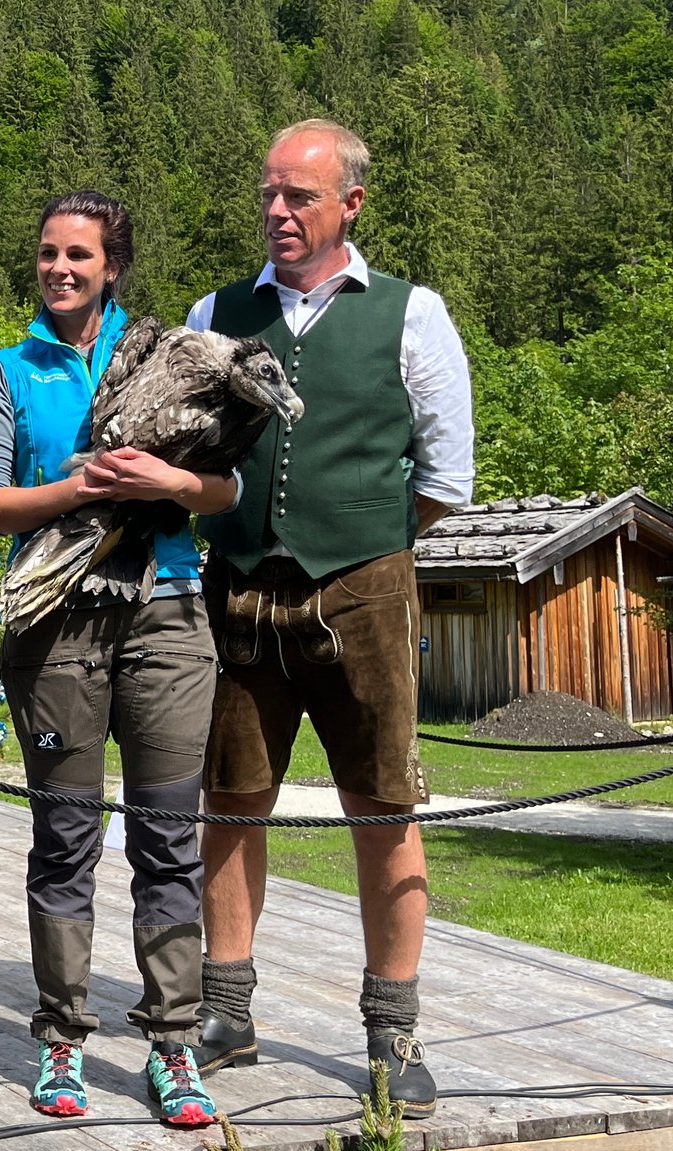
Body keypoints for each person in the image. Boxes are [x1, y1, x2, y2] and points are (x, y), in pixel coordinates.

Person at [187, 119, 474, 1118]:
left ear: (348, 204)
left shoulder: (410, 314)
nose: (275, 210)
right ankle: (225, 1007)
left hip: (363, 590)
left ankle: (391, 1028)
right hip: (235, 588)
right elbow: (197, 454)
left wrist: (363, 543)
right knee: (227, 802)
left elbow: (442, 476)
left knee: (383, 805)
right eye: (267, 192)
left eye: (297, 196)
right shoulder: (215, 312)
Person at [0, 191, 230, 1126]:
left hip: (167, 615)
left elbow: (227, 485)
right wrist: (73, 485)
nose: (60, 268)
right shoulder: (5, 372)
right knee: (65, 840)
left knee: (168, 840)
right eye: (47, 253)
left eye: (79, 254)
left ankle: (174, 1044)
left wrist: (171, 482)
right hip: (55, 627)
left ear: (113, 265)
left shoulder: (167, 353)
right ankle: (63, 1037)